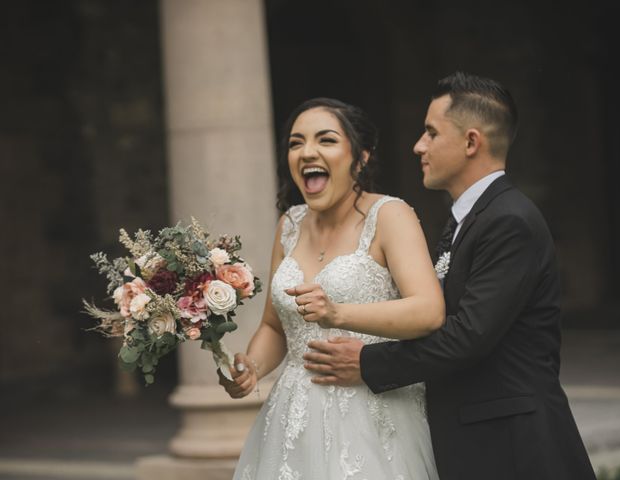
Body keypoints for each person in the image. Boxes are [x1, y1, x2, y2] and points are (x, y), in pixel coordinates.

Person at [303, 72, 597, 480]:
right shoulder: (466, 219)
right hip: (474, 438)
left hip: (515, 445)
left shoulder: (510, 221)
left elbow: (469, 336)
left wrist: (368, 362)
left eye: (430, 133)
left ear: (471, 142)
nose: (418, 146)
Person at [218, 97, 444, 479]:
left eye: (325, 140)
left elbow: (428, 311)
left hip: (374, 412)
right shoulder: (289, 224)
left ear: (361, 157)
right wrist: (251, 367)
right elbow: (275, 327)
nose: (307, 152)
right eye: (295, 143)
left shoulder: (390, 216)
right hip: (294, 419)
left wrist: (338, 313)